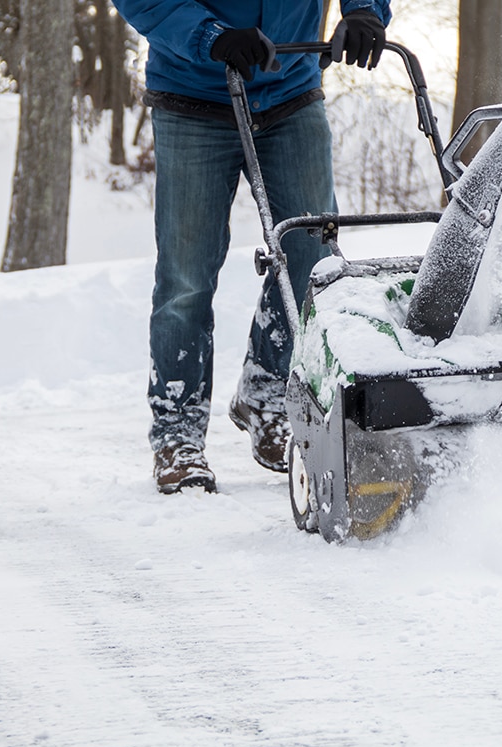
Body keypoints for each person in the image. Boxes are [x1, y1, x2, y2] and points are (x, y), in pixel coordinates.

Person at [112, 1, 392, 494]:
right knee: (187, 279)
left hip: (290, 90)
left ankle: (265, 394)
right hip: (192, 95)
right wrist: (210, 36)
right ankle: (177, 435)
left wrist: (365, 10)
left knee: (313, 264)